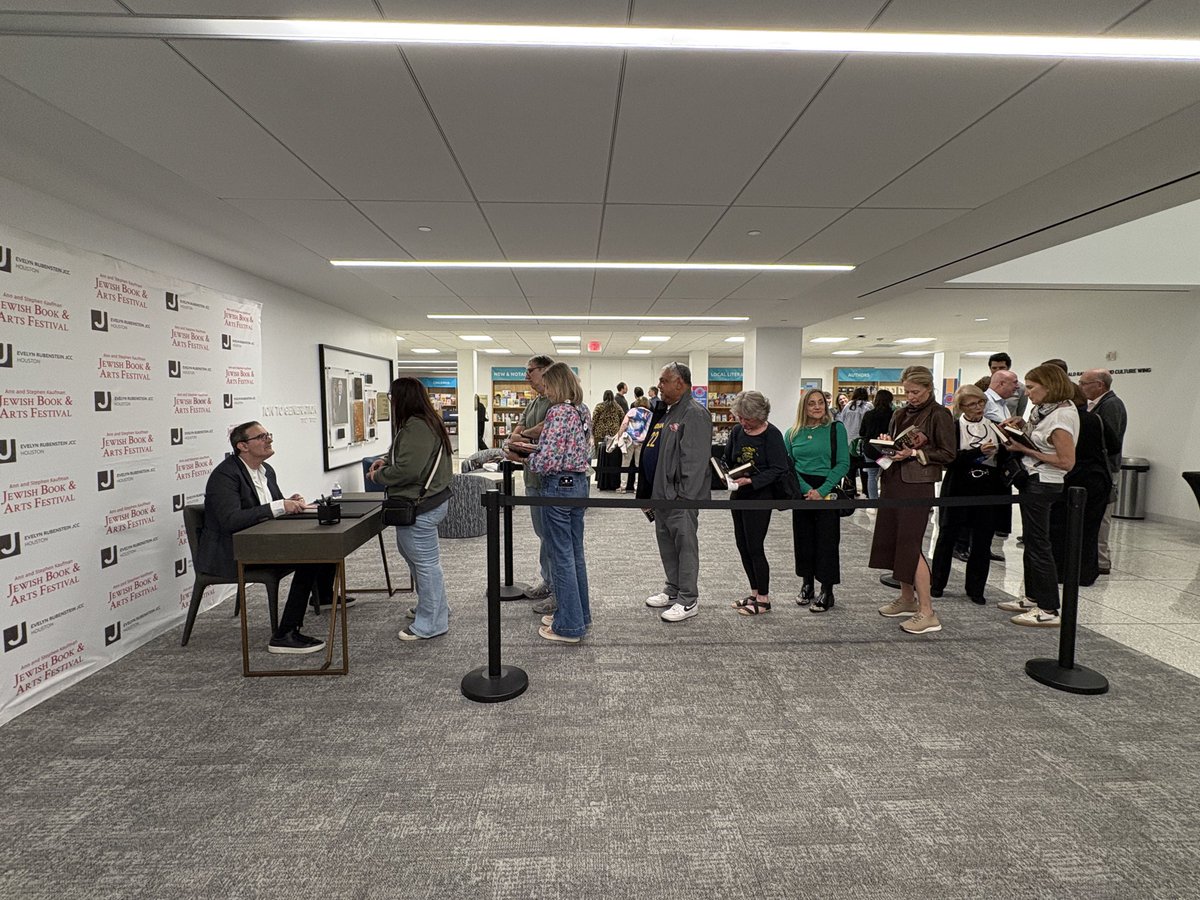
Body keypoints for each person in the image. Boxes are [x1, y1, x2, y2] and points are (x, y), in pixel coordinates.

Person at [198, 421, 333, 654]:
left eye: (268, 434)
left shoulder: (266, 471)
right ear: (242, 446)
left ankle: (325, 596)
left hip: (262, 542)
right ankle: (285, 634)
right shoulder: (225, 475)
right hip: (232, 552)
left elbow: (269, 509)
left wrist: (291, 502)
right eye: (261, 437)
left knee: (323, 543)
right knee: (310, 557)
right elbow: (230, 521)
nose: (268, 439)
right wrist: (280, 506)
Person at [509, 363, 594, 643]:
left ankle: (569, 625)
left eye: (546, 384)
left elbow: (549, 461)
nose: (543, 389)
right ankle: (579, 613)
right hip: (579, 485)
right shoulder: (581, 410)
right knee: (575, 553)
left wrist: (522, 457)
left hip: (559, 487)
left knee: (561, 556)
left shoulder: (558, 412)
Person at [868, 366, 955, 635]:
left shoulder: (940, 414)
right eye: (907, 392)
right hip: (893, 481)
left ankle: (927, 611)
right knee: (894, 540)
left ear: (929, 388)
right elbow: (895, 445)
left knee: (910, 542)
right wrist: (887, 446)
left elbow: (948, 453)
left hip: (917, 486)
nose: (911, 397)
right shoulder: (899, 412)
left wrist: (915, 453)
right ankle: (907, 598)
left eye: (916, 392)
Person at [367, 377, 454, 640]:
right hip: (427, 502)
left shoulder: (417, 426)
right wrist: (386, 459)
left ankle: (431, 622)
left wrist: (379, 477)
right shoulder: (422, 423)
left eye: (393, 397)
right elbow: (410, 458)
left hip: (420, 505)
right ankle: (435, 609)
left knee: (425, 564)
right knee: (420, 560)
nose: (391, 402)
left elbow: (408, 470)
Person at [997, 364, 1079, 628]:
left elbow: (1066, 461)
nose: (1026, 392)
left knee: (1039, 544)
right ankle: (1032, 597)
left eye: (1031, 388)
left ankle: (1048, 607)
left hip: (1044, 483)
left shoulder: (1062, 417)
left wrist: (1026, 449)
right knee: (1032, 541)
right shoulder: (1044, 411)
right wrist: (1022, 426)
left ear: (1049, 386)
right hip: (1033, 480)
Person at [638, 362, 713, 623]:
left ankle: (689, 598)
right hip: (662, 496)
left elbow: (694, 460)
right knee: (667, 546)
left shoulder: (693, 413)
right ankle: (673, 589)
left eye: (663, 380)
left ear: (679, 383)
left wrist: (683, 495)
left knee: (685, 547)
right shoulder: (668, 412)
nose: (659, 385)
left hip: (681, 498)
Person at [929, 385, 1008, 605]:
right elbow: (949, 458)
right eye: (972, 404)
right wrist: (977, 452)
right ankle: (937, 584)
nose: (978, 408)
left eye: (981, 402)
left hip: (987, 489)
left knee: (982, 541)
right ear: (961, 407)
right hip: (958, 488)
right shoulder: (954, 427)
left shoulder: (993, 426)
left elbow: (1004, 457)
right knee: (947, 537)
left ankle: (976, 588)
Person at [723, 391, 789, 616]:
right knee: (742, 545)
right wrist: (726, 473)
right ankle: (754, 592)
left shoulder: (772, 435)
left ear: (760, 415)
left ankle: (764, 598)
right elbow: (728, 458)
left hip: (761, 497)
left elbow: (779, 468)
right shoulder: (736, 431)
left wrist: (751, 479)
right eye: (740, 417)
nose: (743, 423)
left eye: (747, 419)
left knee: (755, 546)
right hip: (738, 495)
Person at [786, 388, 850, 612]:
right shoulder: (793, 433)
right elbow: (789, 466)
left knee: (827, 542)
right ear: (803, 407)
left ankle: (827, 590)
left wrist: (822, 490)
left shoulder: (835, 429)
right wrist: (806, 490)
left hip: (827, 489)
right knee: (803, 540)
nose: (816, 406)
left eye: (820, 402)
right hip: (802, 492)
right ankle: (807, 584)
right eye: (811, 403)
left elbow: (843, 463)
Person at [1049, 380, 1110, 587]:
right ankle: (1086, 572)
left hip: (1070, 479)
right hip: (1097, 479)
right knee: (1090, 528)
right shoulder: (1095, 419)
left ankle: (1061, 571)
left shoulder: (1064, 422)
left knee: (1060, 526)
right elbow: (1114, 444)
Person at [508, 355, 556, 614]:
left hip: (550, 481)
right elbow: (520, 429)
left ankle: (555, 587)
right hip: (532, 479)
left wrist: (523, 435)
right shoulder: (535, 401)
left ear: (545, 371)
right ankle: (547, 581)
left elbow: (539, 430)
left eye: (530, 371)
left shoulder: (557, 402)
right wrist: (523, 434)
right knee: (542, 534)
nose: (526, 376)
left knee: (553, 536)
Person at [1080, 368, 1127, 575]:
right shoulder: (1098, 404)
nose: (1081, 387)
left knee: (1102, 515)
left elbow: (1110, 441)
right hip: (1098, 468)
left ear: (1099, 385)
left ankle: (1101, 560)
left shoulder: (1111, 405)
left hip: (1105, 469)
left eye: (1084, 383)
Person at [858, 389, 894, 500]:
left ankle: (873, 502)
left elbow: (861, 432)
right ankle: (886, 500)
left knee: (872, 476)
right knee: (888, 475)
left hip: (870, 449)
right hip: (886, 449)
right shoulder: (893, 415)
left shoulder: (868, 414)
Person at [836, 387, 873, 497]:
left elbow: (842, 421)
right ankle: (866, 491)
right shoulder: (868, 406)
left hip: (848, 442)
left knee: (850, 470)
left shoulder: (848, 406)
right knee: (864, 469)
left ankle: (850, 491)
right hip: (862, 442)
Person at [615, 396, 652, 494]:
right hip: (642, 442)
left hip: (629, 440)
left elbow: (624, 424)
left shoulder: (632, 411)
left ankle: (623, 487)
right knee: (638, 465)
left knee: (625, 464)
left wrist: (619, 435)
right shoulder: (649, 414)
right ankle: (636, 487)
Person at [591, 389, 624, 491]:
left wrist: (591, 434)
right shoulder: (617, 407)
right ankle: (612, 480)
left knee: (602, 458)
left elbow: (594, 420)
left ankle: (602, 480)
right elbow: (623, 417)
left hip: (600, 434)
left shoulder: (599, 406)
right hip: (614, 434)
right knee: (613, 458)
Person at [989, 352, 1027, 417]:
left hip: (1009, 425)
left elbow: (1019, 414)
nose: (997, 371)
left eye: (1001, 368)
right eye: (994, 368)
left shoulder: (1020, 388)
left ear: (1008, 367)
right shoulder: (983, 385)